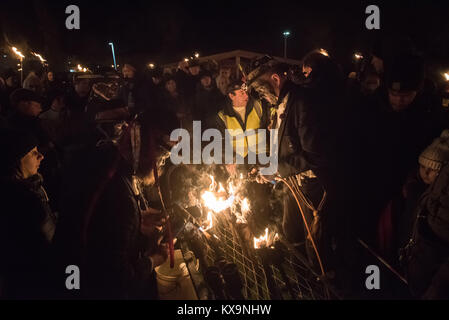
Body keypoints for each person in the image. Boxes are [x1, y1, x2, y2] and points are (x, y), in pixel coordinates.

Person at [248, 52, 347, 287]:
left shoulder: (302, 102)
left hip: (313, 186)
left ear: (274, 78)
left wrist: (277, 170)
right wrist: (269, 166)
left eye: (261, 90)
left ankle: (324, 285)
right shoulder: (281, 102)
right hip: (294, 182)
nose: (262, 96)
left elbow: (315, 155)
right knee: (290, 230)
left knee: (316, 241)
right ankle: (302, 279)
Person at [54, 112, 170, 299]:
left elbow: (100, 224)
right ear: (144, 150)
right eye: (161, 156)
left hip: (70, 270)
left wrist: (138, 219)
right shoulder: (120, 194)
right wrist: (153, 259)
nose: (161, 163)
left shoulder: (104, 161)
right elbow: (117, 279)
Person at [0, 129, 58, 299]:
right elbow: (46, 246)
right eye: (33, 153)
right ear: (16, 161)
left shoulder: (31, 189)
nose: (41, 156)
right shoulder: (23, 201)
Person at [213, 80, 273, 161]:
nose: (246, 96)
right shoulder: (223, 116)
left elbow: (269, 128)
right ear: (231, 96)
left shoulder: (258, 106)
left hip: (263, 156)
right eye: (242, 93)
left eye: (246, 92)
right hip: (240, 161)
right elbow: (221, 140)